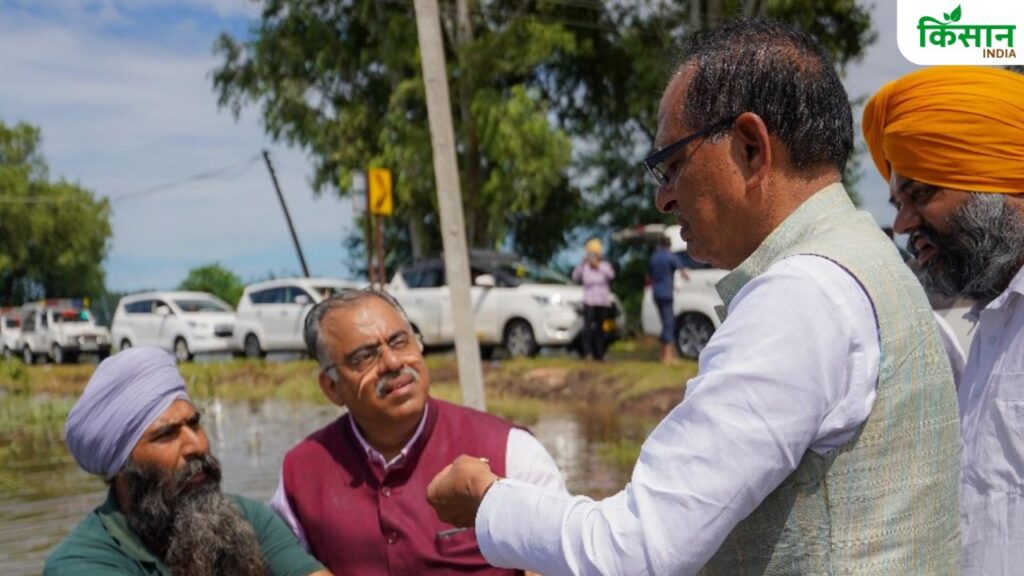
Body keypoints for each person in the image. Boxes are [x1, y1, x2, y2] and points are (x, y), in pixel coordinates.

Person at [426, 18, 960, 575]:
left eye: (671, 164)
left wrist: (489, 501)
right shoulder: (872, 264)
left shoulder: (800, 298)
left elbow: (634, 550)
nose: (662, 198)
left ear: (751, 148)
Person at [269, 288, 566, 575]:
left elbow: (561, 562)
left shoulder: (510, 450)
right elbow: (277, 561)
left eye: (399, 342)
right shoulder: (301, 472)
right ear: (332, 388)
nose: (393, 363)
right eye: (364, 357)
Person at [863, 65, 1024, 576]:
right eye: (898, 203)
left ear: (1004, 178)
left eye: (921, 194)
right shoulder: (993, 325)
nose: (903, 224)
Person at [44, 347, 328, 576]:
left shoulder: (247, 518)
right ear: (123, 467)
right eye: (166, 434)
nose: (198, 445)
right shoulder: (81, 562)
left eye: (194, 424)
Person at [571, 238, 616, 360]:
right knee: (587, 328)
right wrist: (582, 264)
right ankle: (587, 353)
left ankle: (600, 353)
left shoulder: (604, 265)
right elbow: (575, 276)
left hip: (602, 301)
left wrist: (598, 266)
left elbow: (611, 275)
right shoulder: (584, 266)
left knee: (600, 328)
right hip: (589, 301)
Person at [648, 234, 689, 363]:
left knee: (664, 322)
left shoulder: (654, 258)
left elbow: (649, 276)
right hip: (666, 292)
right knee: (668, 322)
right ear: (669, 245)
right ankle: (667, 357)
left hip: (656, 292)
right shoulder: (670, 256)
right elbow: (683, 271)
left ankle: (668, 354)